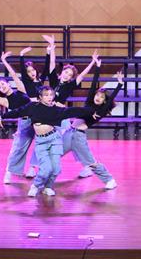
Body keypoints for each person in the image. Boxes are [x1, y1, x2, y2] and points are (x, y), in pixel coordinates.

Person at [1, 86, 96, 197]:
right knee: (46, 168)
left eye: (51, 95)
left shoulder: (56, 110)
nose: (49, 97)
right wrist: (2, 116)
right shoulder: (33, 107)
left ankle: (48, 187)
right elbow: (18, 112)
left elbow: (73, 111)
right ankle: (36, 185)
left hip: (54, 140)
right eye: (46, 95)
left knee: (56, 169)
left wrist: (91, 111)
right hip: (41, 142)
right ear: (40, 97)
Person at [25, 39, 99, 178]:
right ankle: (32, 168)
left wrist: (92, 62)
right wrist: (52, 49)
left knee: (73, 139)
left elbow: (82, 75)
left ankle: (87, 166)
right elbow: (52, 63)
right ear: (62, 72)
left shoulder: (70, 85)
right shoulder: (53, 80)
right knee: (41, 139)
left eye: (70, 75)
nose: (67, 75)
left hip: (62, 116)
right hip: (48, 114)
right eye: (66, 72)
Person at [62, 58, 123, 190]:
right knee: (55, 154)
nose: (98, 97)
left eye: (101, 97)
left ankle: (109, 179)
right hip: (69, 132)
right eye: (97, 95)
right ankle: (45, 181)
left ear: (104, 101)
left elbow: (111, 99)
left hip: (78, 136)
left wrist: (119, 85)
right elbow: (93, 84)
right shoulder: (89, 103)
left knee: (90, 162)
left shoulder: (101, 111)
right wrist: (98, 67)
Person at [0, 46, 50, 184]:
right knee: (19, 148)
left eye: (33, 70)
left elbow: (46, 68)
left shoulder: (40, 81)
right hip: (26, 119)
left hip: (39, 117)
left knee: (41, 144)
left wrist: (48, 52)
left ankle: (32, 167)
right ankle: (9, 171)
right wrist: (19, 56)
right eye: (28, 71)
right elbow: (15, 73)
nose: (31, 73)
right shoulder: (24, 84)